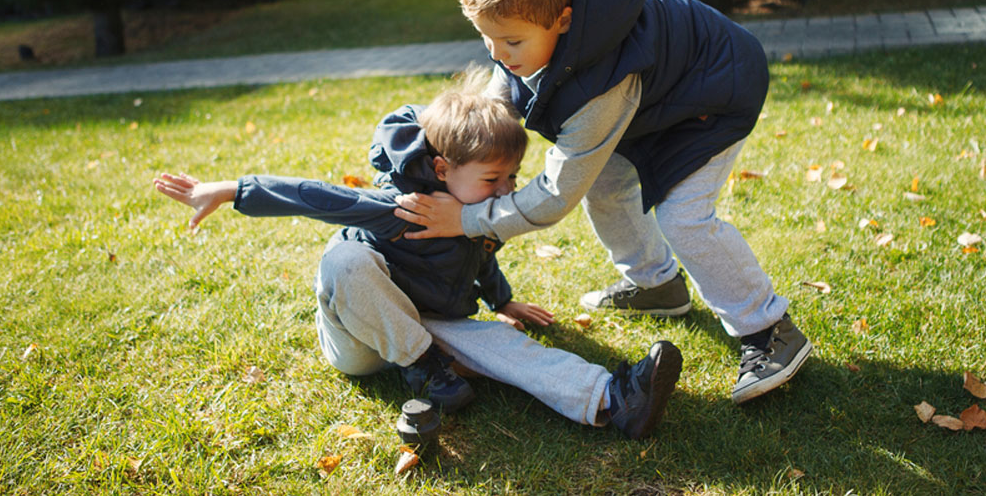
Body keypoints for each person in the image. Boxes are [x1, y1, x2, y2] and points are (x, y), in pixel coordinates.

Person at [392, 0, 811, 404]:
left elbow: (555, 195)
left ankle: (769, 329)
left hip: (712, 97)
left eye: (511, 40)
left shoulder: (603, 85)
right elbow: (497, 101)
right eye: (486, 38)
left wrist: (468, 220)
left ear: (563, 22)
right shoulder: (538, 19)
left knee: (684, 218)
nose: (497, 54)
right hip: (654, 103)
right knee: (607, 187)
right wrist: (437, 142)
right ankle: (657, 285)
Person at [152, 77, 682, 439]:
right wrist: (230, 190)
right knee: (343, 261)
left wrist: (505, 301)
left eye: (512, 179)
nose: (505, 191)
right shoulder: (400, 206)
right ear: (443, 168)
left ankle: (613, 400)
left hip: (424, 329)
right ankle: (427, 368)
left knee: (501, 343)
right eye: (493, 180)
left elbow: (477, 257)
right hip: (361, 338)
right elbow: (313, 196)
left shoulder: (479, 213)